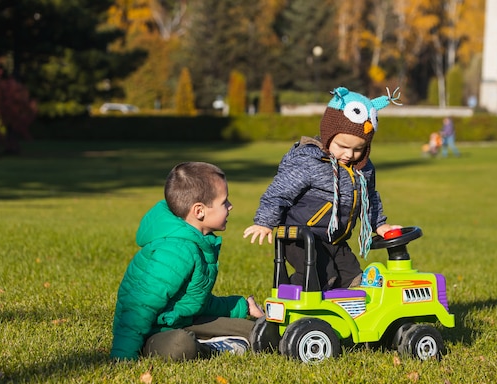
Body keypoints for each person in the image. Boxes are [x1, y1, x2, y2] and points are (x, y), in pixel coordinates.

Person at [244, 86, 402, 290]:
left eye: (358, 149)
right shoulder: (310, 161)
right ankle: (287, 301)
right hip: (301, 238)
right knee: (320, 278)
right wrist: (265, 222)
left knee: (354, 280)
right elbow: (278, 193)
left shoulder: (363, 169)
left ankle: (344, 316)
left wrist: (378, 224)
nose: (349, 154)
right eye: (343, 147)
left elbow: (368, 198)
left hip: (335, 240)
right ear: (328, 136)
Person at [110, 162, 264, 361]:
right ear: (199, 211)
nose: (230, 206)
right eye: (224, 202)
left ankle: (216, 341)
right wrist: (123, 357)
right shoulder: (175, 251)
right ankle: (213, 348)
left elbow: (194, 302)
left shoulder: (199, 243)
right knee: (180, 345)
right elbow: (139, 307)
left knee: (255, 332)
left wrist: (241, 305)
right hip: (153, 333)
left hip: (184, 321)